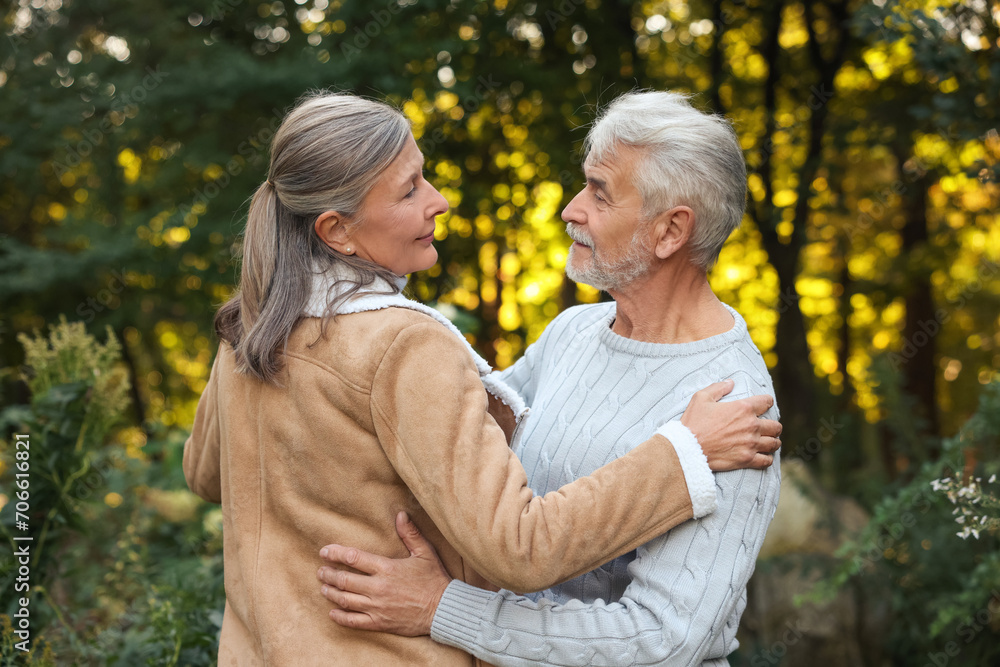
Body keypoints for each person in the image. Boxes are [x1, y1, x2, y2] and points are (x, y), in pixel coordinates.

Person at [182, 90, 781, 666]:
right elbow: (462, 470)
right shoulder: (570, 332)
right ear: (336, 230)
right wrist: (679, 455)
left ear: (671, 232)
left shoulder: (735, 409)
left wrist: (445, 607)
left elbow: (662, 639)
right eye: (410, 188)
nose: (569, 208)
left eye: (598, 194)